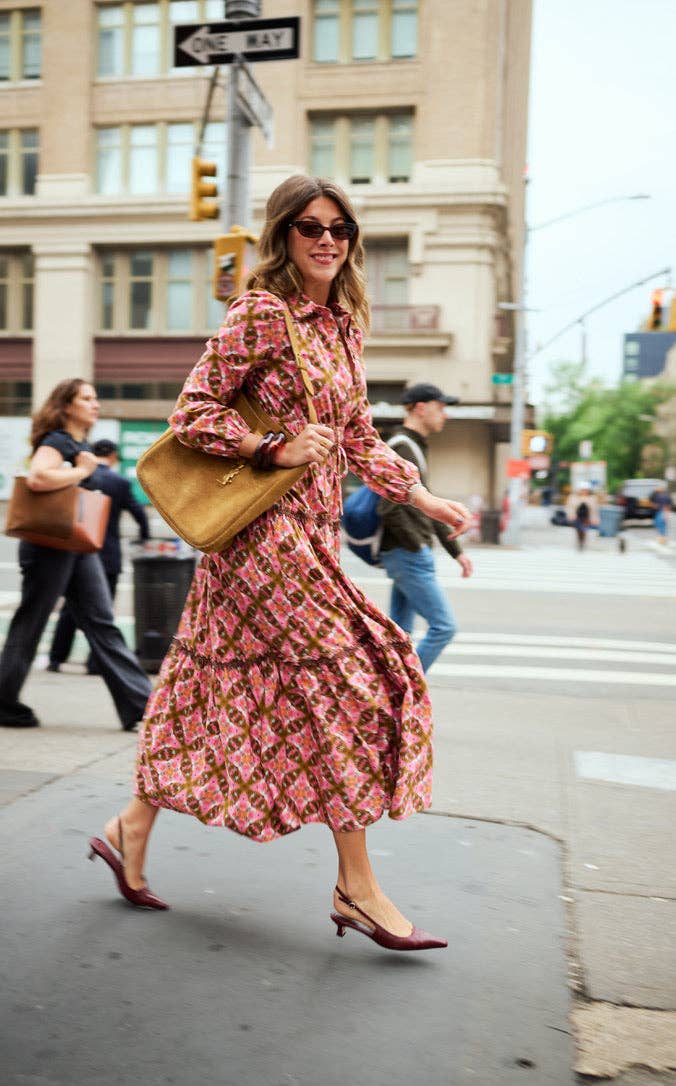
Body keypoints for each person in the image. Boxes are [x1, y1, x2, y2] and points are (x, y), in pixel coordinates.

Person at [88, 175, 471, 951]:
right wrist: (273, 446)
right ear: (283, 236)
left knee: (202, 686)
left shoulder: (343, 326)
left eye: (340, 228)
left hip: (307, 536)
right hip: (264, 538)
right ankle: (356, 886)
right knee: (355, 683)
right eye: (309, 227)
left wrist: (425, 499)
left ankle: (128, 828)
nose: (327, 240)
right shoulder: (262, 314)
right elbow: (192, 411)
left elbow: (358, 434)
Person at [0, 380, 152, 730]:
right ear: (66, 407)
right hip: (49, 545)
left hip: (76, 545)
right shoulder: (58, 441)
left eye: (96, 397)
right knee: (32, 621)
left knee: (101, 622)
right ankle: (4, 704)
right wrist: (82, 471)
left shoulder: (80, 444)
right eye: (87, 398)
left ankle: (141, 707)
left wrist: (83, 465)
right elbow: (37, 477)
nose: (96, 404)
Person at [377, 384, 473, 674]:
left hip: (406, 553)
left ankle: (389, 691)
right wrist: (415, 545)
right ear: (421, 407)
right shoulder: (402, 447)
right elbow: (388, 508)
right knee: (443, 627)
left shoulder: (413, 445)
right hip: (408, 554)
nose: (445, 415)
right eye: (440, 407)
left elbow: (427, 505)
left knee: (400, 636)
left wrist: (455, 550)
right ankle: (405, 690)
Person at [47, 438, 150, 674]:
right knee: (102, 613)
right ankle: (94, 663)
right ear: (113, 455)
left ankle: (56, 659)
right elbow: (139, 514)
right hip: (108, 555)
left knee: (70, 610)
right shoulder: (120, 482)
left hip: (77, 551)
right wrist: (144, 537)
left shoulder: (79, 477)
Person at [565, 485, 600, 550]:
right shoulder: (573, 497)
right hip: (577, 517)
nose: (584, 491)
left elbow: (594, 509)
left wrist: (595, 519)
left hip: (586, 517)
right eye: (582, 490)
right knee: (578, 530)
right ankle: (579, 541)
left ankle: (582, 542)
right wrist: (570, 516)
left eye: (585, 490)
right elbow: (570, 507)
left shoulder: (592, 498)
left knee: (584, 530)